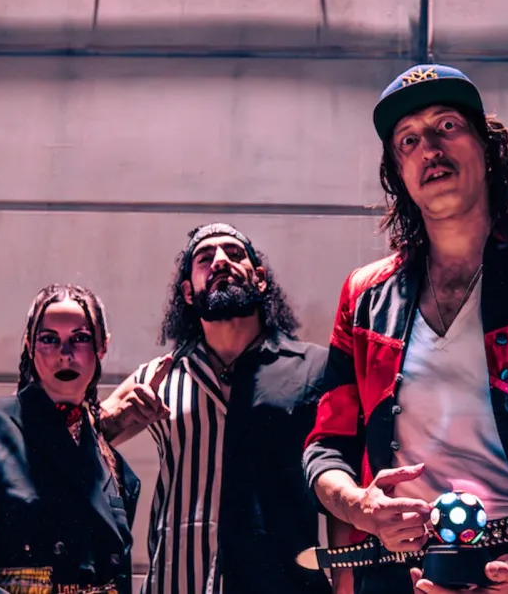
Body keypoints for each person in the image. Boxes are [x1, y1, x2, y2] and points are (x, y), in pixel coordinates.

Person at [302, 64, 508, 594]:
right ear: (399, 175)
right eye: (408, 140)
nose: (429, 148)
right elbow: (326, 447)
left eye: (447, 126)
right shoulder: (362, 295)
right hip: (393, 571)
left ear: (488, 150)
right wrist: (359, 505)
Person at [99, 223, 344, 594]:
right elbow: (83, 444)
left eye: (233, 253)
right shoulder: (158, 377)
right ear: (187, 292)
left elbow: (345, 473)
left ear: (259, 279)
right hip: (178, 584)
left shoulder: (315, 370)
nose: (219, 261)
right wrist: (114, 420)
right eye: (204, 258)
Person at [0, 284, 140, 594]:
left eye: (80, 338)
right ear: (30, 346)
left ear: (102, 347)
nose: (65, 354)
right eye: (49, 340)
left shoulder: (119, 473)